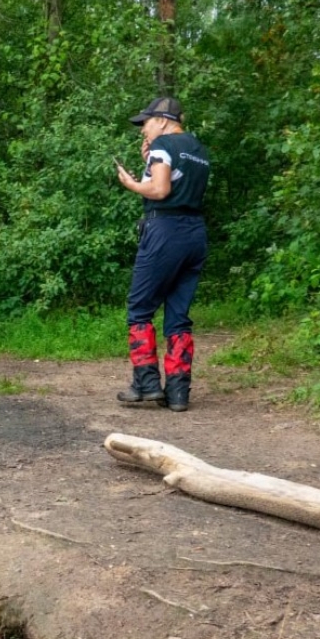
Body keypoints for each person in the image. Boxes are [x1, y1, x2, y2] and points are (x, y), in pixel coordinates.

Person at [115, 97, 210, 412]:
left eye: (146, 122)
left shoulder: (163, 145)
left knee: (140, 308)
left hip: (164, 231)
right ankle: (179, 394)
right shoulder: (198, 149)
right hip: (195, 234)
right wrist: (149, 161)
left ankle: (147, 385)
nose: (143, 129)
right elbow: (177, 182)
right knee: (179, 314)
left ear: (164, 120)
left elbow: (160, 191)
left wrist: (130, 183)